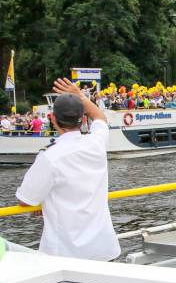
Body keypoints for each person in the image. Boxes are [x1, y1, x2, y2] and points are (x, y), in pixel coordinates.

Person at [15, 78, 120, 261]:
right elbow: (100, 117)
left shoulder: (49, 158)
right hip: (103, 249)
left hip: (67, 257)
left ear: (53, 118)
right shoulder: (96, 143)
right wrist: (80, 95)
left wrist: (42, 201)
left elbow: (25, 200)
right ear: (83, 119)